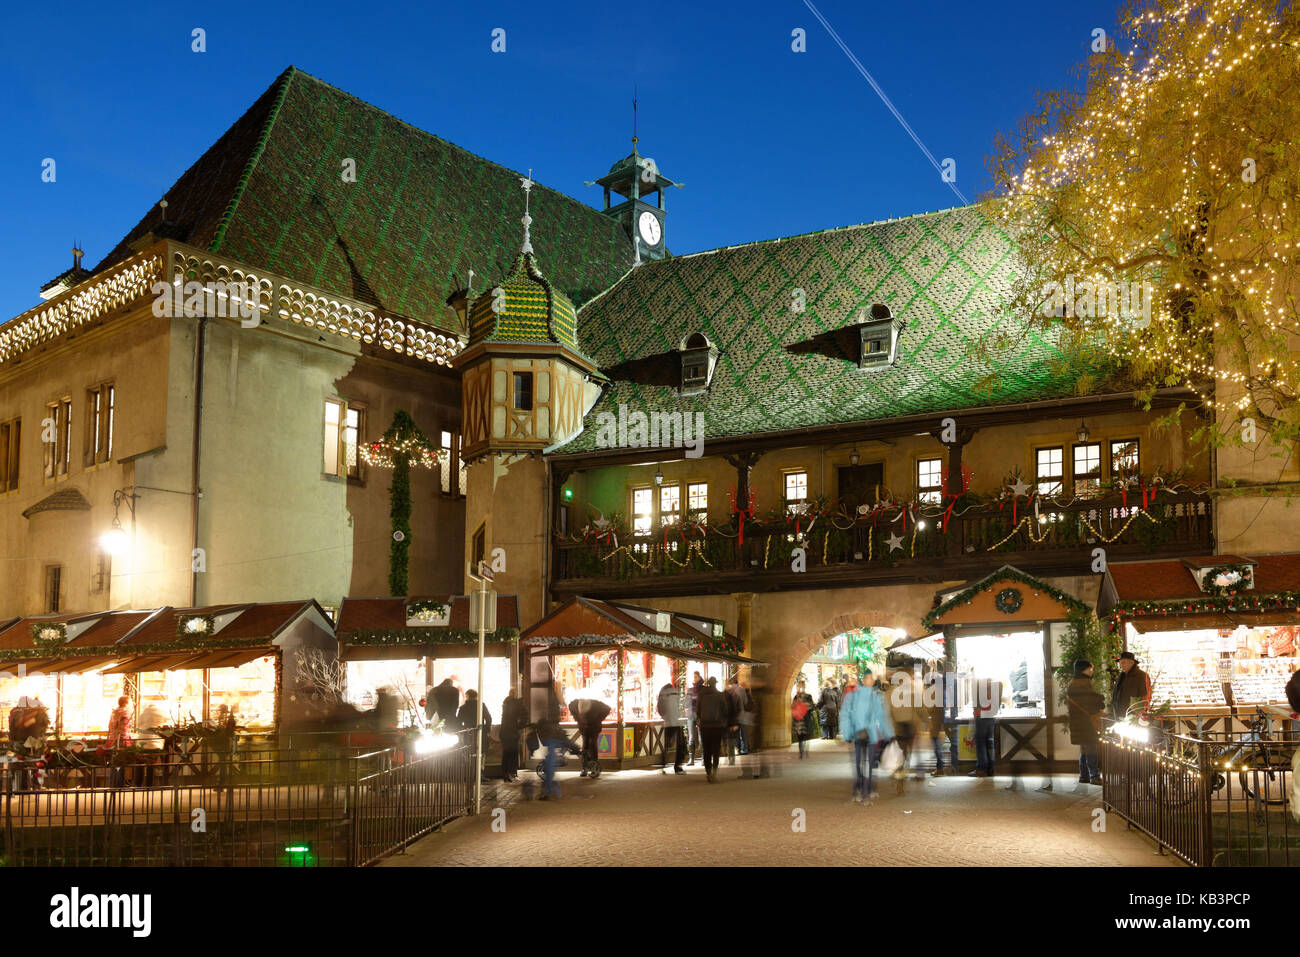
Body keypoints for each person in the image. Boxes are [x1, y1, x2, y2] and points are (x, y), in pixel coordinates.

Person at [839, 669, 893, 803]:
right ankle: (861, 791)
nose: (870, 681)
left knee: (866, 765)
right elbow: (846, 715)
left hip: (867, 734)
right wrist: (846, 733)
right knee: (860, 765)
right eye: (868, 678)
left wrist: (888, 733)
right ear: (864, 680)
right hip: (861, 734)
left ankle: (863, 792)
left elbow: (881, 716)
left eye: (871, 679)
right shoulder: (855, 696)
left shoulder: (874, 696)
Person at [1066, 659, 1105, 785]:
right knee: (1091, 747)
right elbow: (1089, 701)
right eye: (1090, 669)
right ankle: (1094, 776)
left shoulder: (1075, 683)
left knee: (1085, 749)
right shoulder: (1082, 683)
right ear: (1083, 670)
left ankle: (1084, 776)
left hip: (1078, 722)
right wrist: (1100, 699)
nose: (1091, 671)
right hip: (1085, 722)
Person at [885, 668, 924, 792]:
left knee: (901, 754)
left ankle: (899, 777)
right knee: (906, 755)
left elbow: (887, 711)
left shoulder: (891, 692)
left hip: (900, 727)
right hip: (908, 727)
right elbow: (919, 708)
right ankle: (900, 777)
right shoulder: (911, 690)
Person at [696, 677, 729, 782]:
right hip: (716, 726)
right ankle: (714, 772)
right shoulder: (720, 695)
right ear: (715, 684)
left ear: (708, 684)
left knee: (706, 750)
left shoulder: (701, 695)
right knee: (715, 750)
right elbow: (725, 710)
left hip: (704, 726)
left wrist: (700, 720)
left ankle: (708, 771)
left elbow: (697, 710)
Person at [568, 697, 611, 777]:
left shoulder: (596, 704)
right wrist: (577, 719)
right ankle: (585, 767)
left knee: (592, 745)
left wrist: (598, 720)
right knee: (585, 746)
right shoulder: (574, 704)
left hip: (594, 727)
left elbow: (607, 709)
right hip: (584, 728)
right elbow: (571, 707)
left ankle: (594, 767)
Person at [970, 675, 1002, 777]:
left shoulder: (980, 685)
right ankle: (990, 768)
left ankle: (981, 769)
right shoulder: (997, 685)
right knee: (989, 743)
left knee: (980, 744)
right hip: (991, 716)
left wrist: (975, 712)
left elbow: (976, 704)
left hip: (981, 717)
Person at [924, 663, 952, 775]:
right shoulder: (944, 691)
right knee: (945, 744)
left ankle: (940, 768)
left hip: (936, 720)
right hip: (944, 719)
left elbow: (930, 708)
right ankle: (944, 766)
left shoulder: (934, 692)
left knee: (936, 745)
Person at [657, 678, 687, 774]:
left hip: (668, 722)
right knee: (680, 745)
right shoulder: (675, 692)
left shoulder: (663, 693)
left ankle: (663, 765)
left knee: (666, 745)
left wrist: (664, 717)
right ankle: (677, 767)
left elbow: (660, 707)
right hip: (675, 722)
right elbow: (679, 707)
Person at [1111, 652, 1151, 721]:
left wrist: (1141, 712)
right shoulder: (1121, 676)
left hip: (1134, 716)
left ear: (1131, 663)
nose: (1121, 665)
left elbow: (1145, 695)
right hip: (1120, 715)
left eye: (1123, 662)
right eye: (1120, 663)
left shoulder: (1141, 676)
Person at [500, 689, 525, 782]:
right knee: (513, 753)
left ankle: (505, 773)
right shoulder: (517, 704)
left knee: (506, 753)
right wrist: (519, 726)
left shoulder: (505, 703)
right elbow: (524, 717)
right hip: (513, 732)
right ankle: (512, 773)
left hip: (504, 731)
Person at [790, 680, 816, 758]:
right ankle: (801, 752)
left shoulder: (808, 696)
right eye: (798, 687)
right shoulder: (796, 697)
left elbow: (812, 707)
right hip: (798, 720)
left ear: (804, 687)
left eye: (801, 687)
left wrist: (804, 706)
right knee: (800, 737)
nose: (800, 688)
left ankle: (805, 751)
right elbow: (792, 706)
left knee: (806, 736)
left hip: (805, 719)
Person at [685, 672, 703, 766]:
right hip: (691, 715)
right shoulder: (690, 690)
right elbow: (685, 703)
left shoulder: (703, 689)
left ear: (700, 677)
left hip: (700, 715)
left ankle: (703, 758)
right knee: (691, 738)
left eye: (696, 677)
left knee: (701, 737)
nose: (694, 678)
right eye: (693, 677)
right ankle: (691, 759)